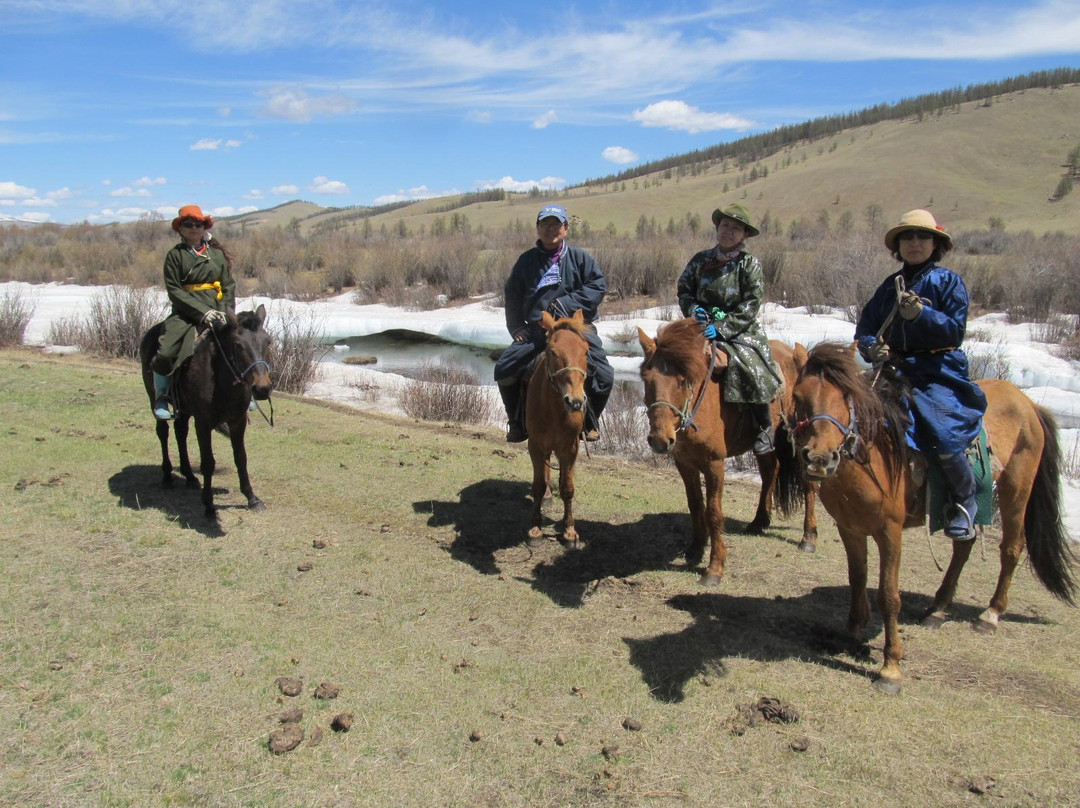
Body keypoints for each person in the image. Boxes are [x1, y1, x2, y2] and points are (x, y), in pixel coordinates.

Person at [855, 209, 987, 540]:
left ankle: (964, 501)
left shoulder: (948, 282)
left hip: (937, 370)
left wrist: (921, 315)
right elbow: (866, 328)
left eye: (922, 236)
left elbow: (954, 332)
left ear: (935, 244)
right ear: (898, 246)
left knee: (941, 431)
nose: (915, 243)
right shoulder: (889, 287)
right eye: (907, 237)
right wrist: (872, 349)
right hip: (895, 368)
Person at [495, 204, 613, 443]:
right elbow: (513, 295)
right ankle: (517, 422)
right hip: (539, 330)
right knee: (505, 368)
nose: (551, 229)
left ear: (565, 228)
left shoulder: (581, 258)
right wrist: (516, 327)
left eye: (556, 224)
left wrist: (566, 304)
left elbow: (597, 287)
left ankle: (589, 421)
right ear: (538, 228)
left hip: (576, 330)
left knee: (604, 374)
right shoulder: (526, 261)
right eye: (545, 224)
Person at [677, 203, 780, 455]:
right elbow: (684, 289)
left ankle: (765, 425)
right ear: (717, 227)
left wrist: (722, 328)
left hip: (740, 328)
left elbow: (751, 303)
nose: (728, 231)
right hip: (699, 326)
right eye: (725, 225)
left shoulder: (749, 264)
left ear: (745, 234)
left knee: (752, 367)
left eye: (736, 228)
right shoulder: (701, 260)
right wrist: (693, 311)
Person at [149, 205, 236, 420]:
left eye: (198, 224)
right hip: (186, 312)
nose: (194, 228)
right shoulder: (174, 256)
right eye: (188, 224)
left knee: (241, 346)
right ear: (181, 229)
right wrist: (202, 313)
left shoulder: (216, 255)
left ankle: (246, 391)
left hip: (218, 311)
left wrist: (225, 310)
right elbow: (175, 291)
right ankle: (163, 396)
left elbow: (228, 286)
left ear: (204, 227)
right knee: (167, 350)